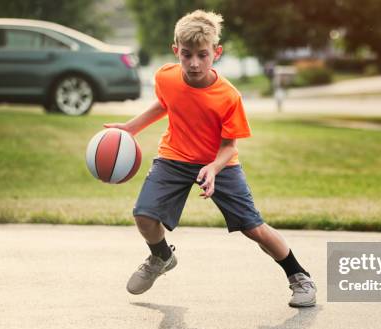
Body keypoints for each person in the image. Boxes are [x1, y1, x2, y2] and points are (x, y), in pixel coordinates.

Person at [103, 10, 316, 307]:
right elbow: (164, 104)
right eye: (186, 54)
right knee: (143, 215)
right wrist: (130, 128)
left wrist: (213, 168)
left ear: (216, 53)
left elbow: (230, 146)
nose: (193, 63)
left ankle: (300, 277)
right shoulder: (166, 77)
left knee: (253, 227)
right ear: (175, 50)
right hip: (174, 156)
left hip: (220, 163)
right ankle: (161, 257)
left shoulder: (228, 96)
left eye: (202, 55)